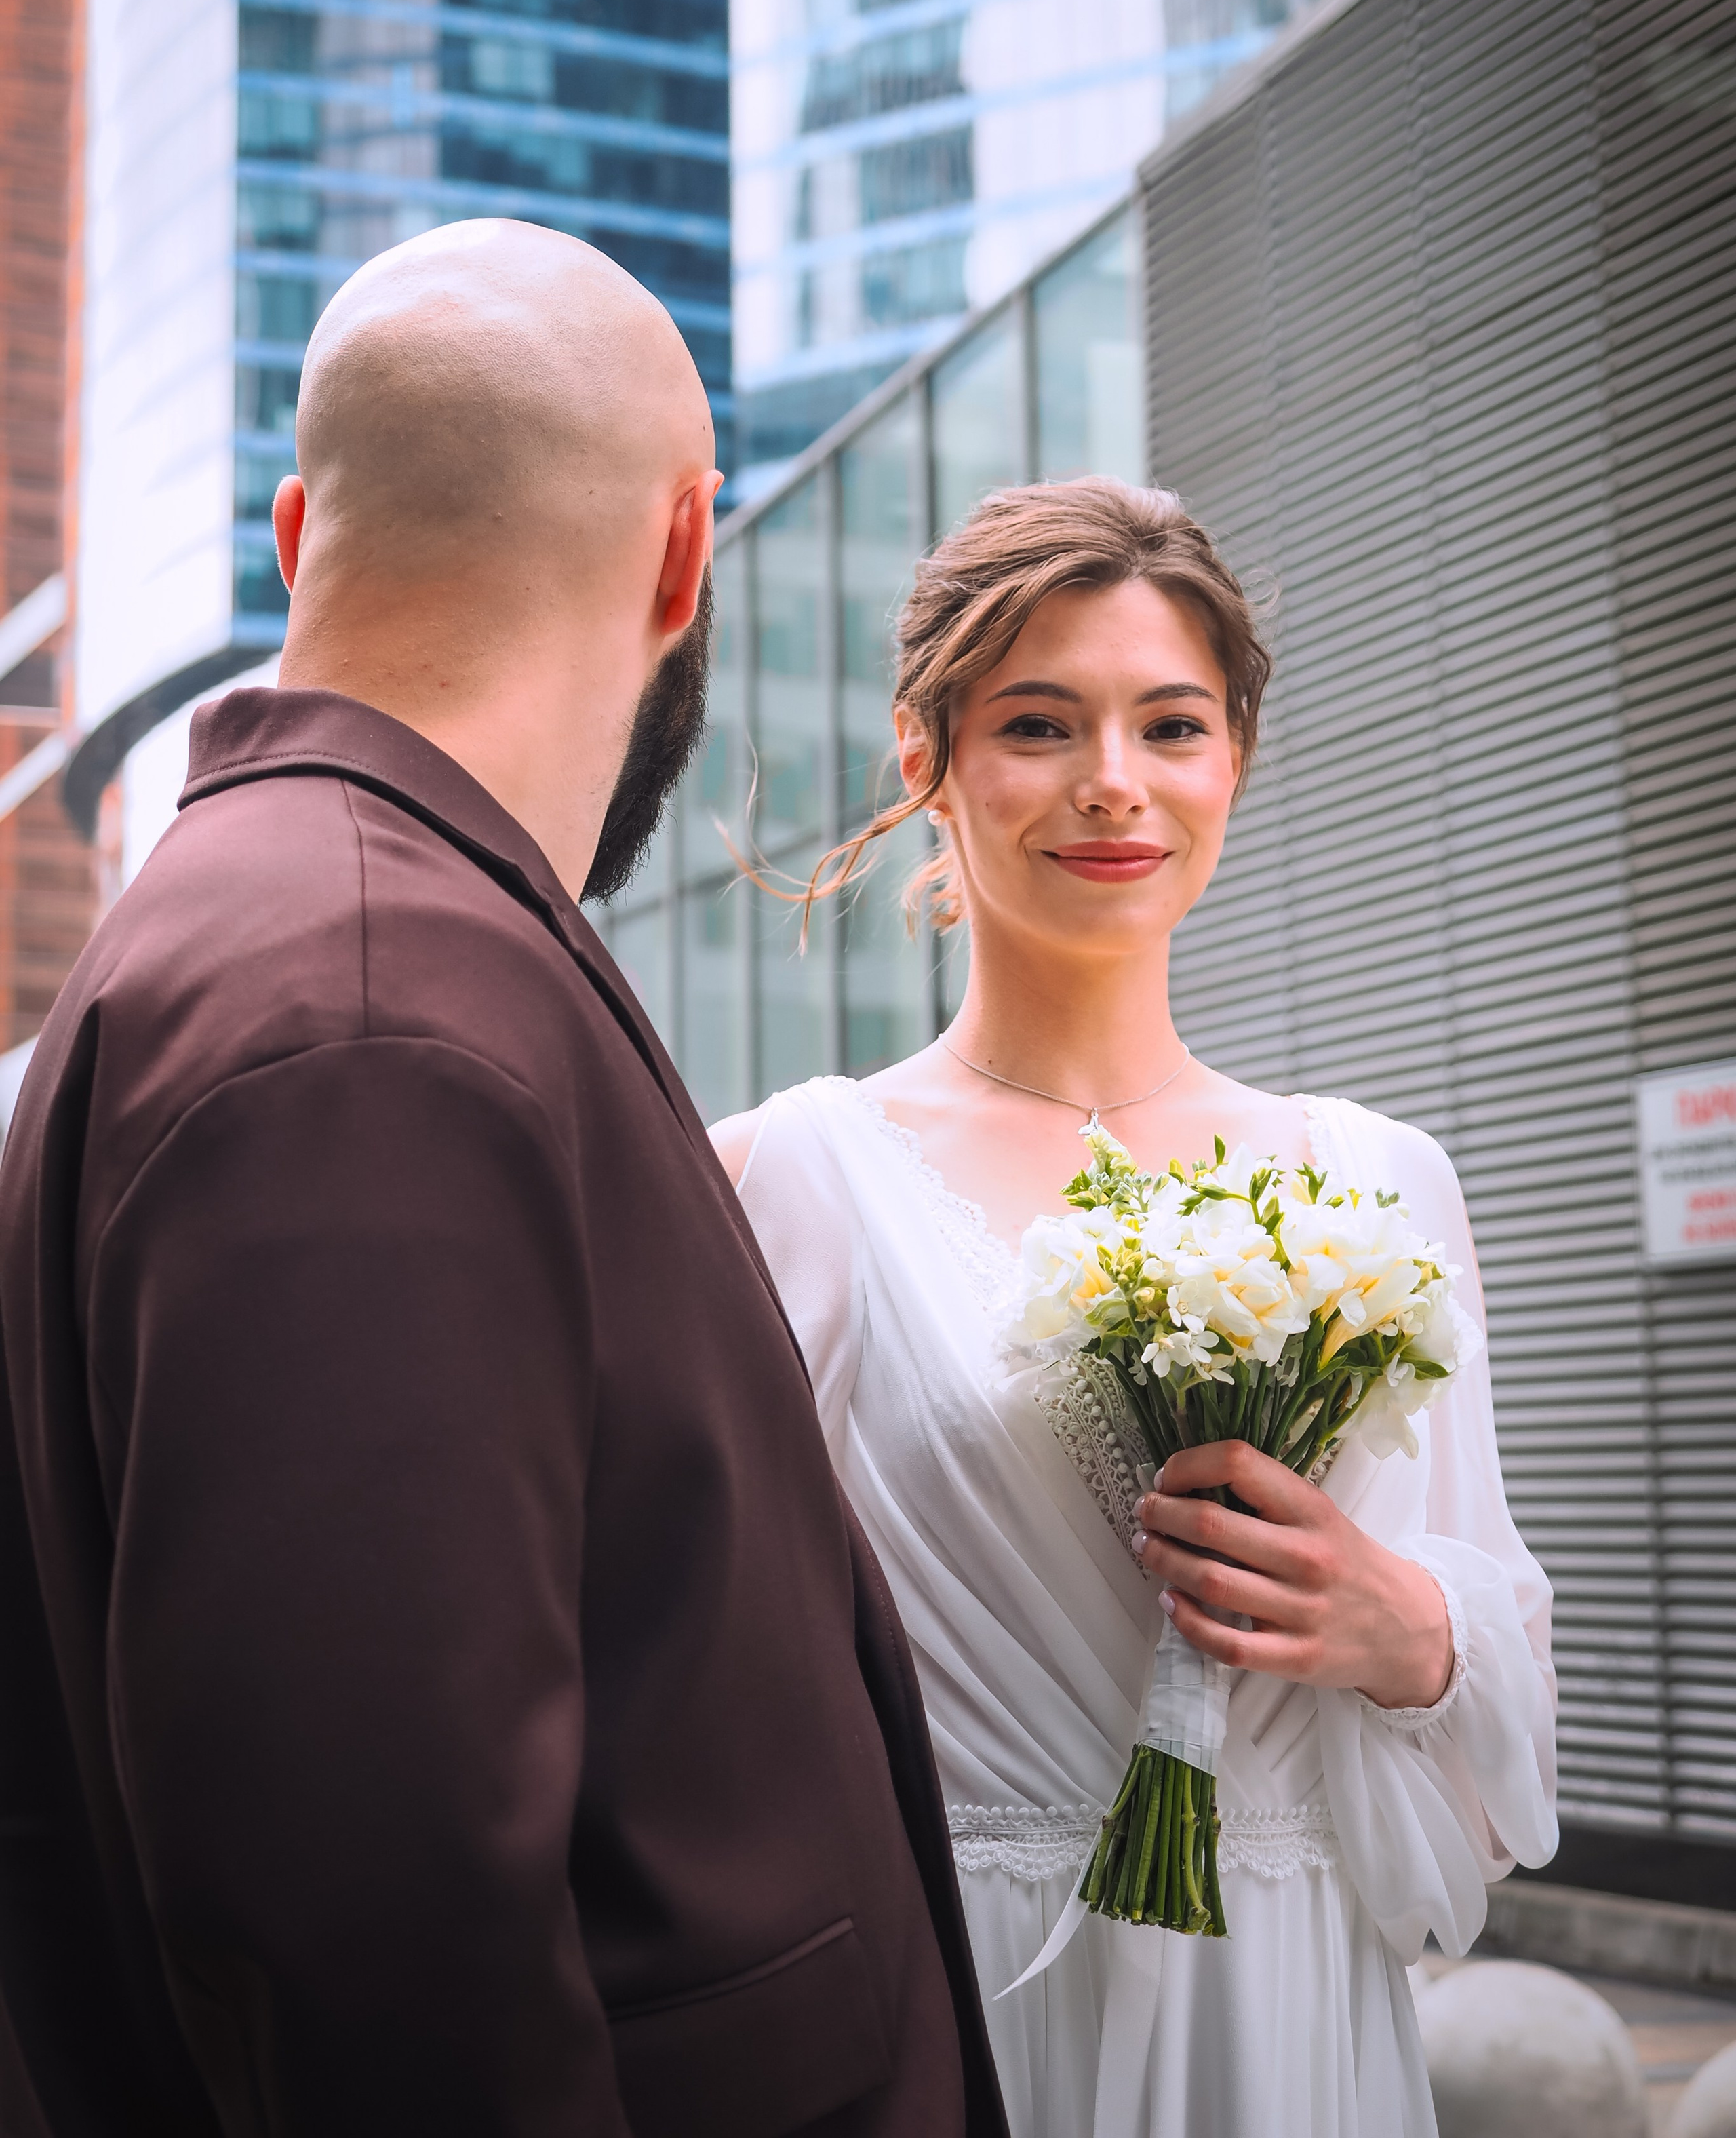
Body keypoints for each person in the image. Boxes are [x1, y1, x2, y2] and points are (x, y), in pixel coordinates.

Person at [0, 220, 1007, 2138]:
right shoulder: (372, 1012)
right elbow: (377, 1931)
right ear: (688, 552)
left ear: (299, 539)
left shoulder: (308, 940)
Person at [712, 477, 1557, 2138]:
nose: (1113, 784)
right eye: (1038, 724)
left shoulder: (1380, 1180)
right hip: (969, 1990)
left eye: (1169, 725)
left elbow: (1501, 1626)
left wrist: (1407, 1631)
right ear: (924, 762)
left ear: (1229, 759)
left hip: (1295, 1995)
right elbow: (724, 1679)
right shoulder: (786, 1175)